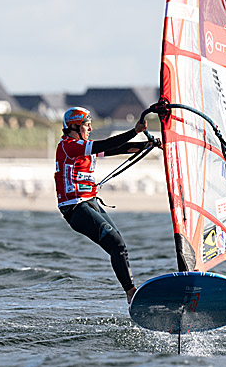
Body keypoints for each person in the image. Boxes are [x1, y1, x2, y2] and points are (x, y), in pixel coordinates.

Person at [55, 106, 159, 305]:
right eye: (87, 125)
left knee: (120, 245)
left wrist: (148, 144)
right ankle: (131, 292)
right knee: (116, 244)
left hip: (90, 203)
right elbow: (107, 143)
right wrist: (134, 131)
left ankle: (131, 292)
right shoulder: (68, 146)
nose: (90, 128)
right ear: (74, 126)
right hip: (75, 208)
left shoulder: (83, 147)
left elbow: (115, 149)